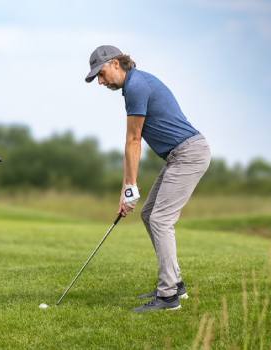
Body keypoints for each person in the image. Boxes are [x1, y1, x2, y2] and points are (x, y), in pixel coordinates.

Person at [85, 45, 211, 313]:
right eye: (97, 76)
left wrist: (129, 187)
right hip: (179, 156)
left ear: (116, 63)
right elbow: (133, 142)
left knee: (160, 219)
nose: (100, 81)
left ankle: (168, 298)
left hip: (189, 153)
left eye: (102, 73)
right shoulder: (135, 85)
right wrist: (126, 189)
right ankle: (175, 284)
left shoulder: (136, 87)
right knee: (149, 214)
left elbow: (133, 140)